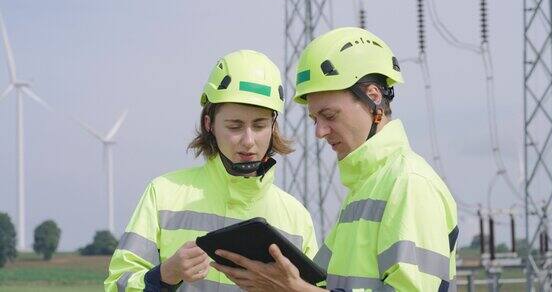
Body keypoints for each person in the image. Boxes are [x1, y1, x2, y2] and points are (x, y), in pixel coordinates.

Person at [211, 27, 459, 292]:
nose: (319, 132)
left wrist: (293, 289)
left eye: (329, 115)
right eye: (315, 119)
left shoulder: (410, 184)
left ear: (373, 98)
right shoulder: (365, 190)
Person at [104, 49, 318, 291]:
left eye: (259, 125)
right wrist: (165, 275)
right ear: (209, 124)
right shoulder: (163, 195)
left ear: (273, 126)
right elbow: (116, 285)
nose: (248, 140)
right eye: (235, 126)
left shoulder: (297, 218)